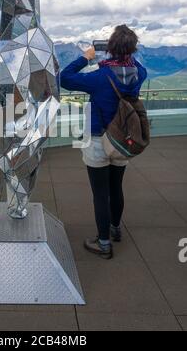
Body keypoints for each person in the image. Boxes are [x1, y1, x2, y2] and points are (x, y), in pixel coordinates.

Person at [60, 25, 148, 260]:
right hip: (123, 141)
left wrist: (86, 57)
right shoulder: (139, 73)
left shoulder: (100, 77)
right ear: (132, 50)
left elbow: (64, 78)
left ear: (110, 48)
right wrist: (125, 54)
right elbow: (136, 66)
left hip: (98, 140)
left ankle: (103, 243)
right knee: (116, 187)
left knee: (100, 193)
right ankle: (115, 229)